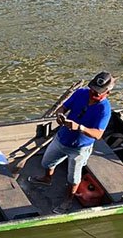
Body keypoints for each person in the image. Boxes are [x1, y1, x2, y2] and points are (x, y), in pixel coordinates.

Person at [28, 72, 115, 213]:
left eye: (97, 93)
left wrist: (79, 128)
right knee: (47, 162)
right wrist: (60, 114)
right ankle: (47, 178)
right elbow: (64, 107)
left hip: (80, 148)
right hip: (62, 138)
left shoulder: (104, 110)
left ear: (107, 93)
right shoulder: (81, 93)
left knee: (73, 177)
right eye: (92, 89)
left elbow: (98, 134)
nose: (93, 93)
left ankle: (69, 199)